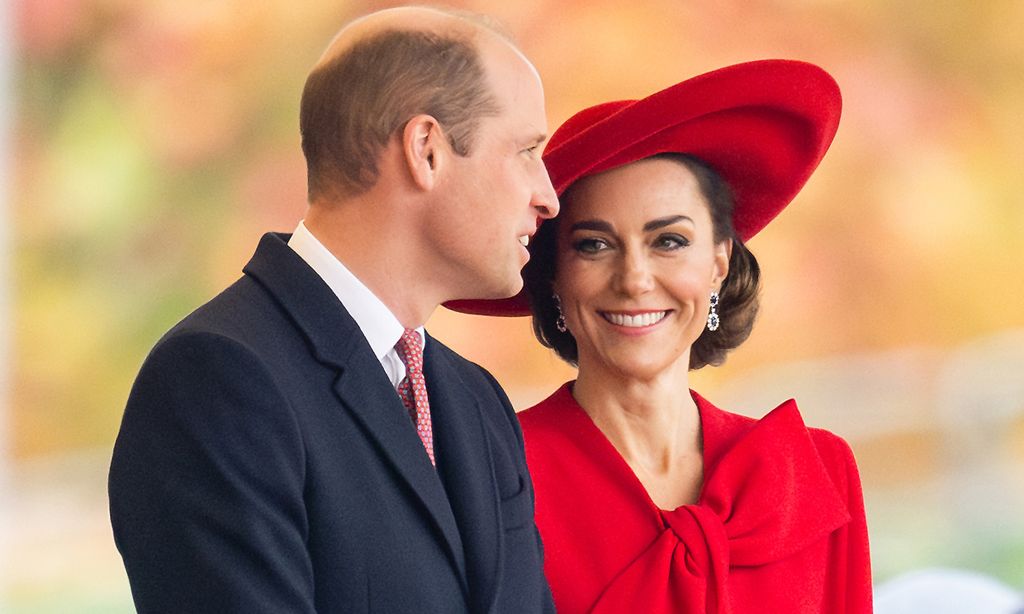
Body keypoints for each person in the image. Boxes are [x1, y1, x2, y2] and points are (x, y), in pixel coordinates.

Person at [108, 6, 559, 613]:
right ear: (426, 149)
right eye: (527, 151)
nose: (548, 197)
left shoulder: (477, 402)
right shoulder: (216, 381)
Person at [449, 60, 872, 612]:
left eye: (669, 241)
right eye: (594, 245)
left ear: (720, 261)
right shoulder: (487, 479)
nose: (634, 280)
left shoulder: (814, 473)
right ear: (553, 275)